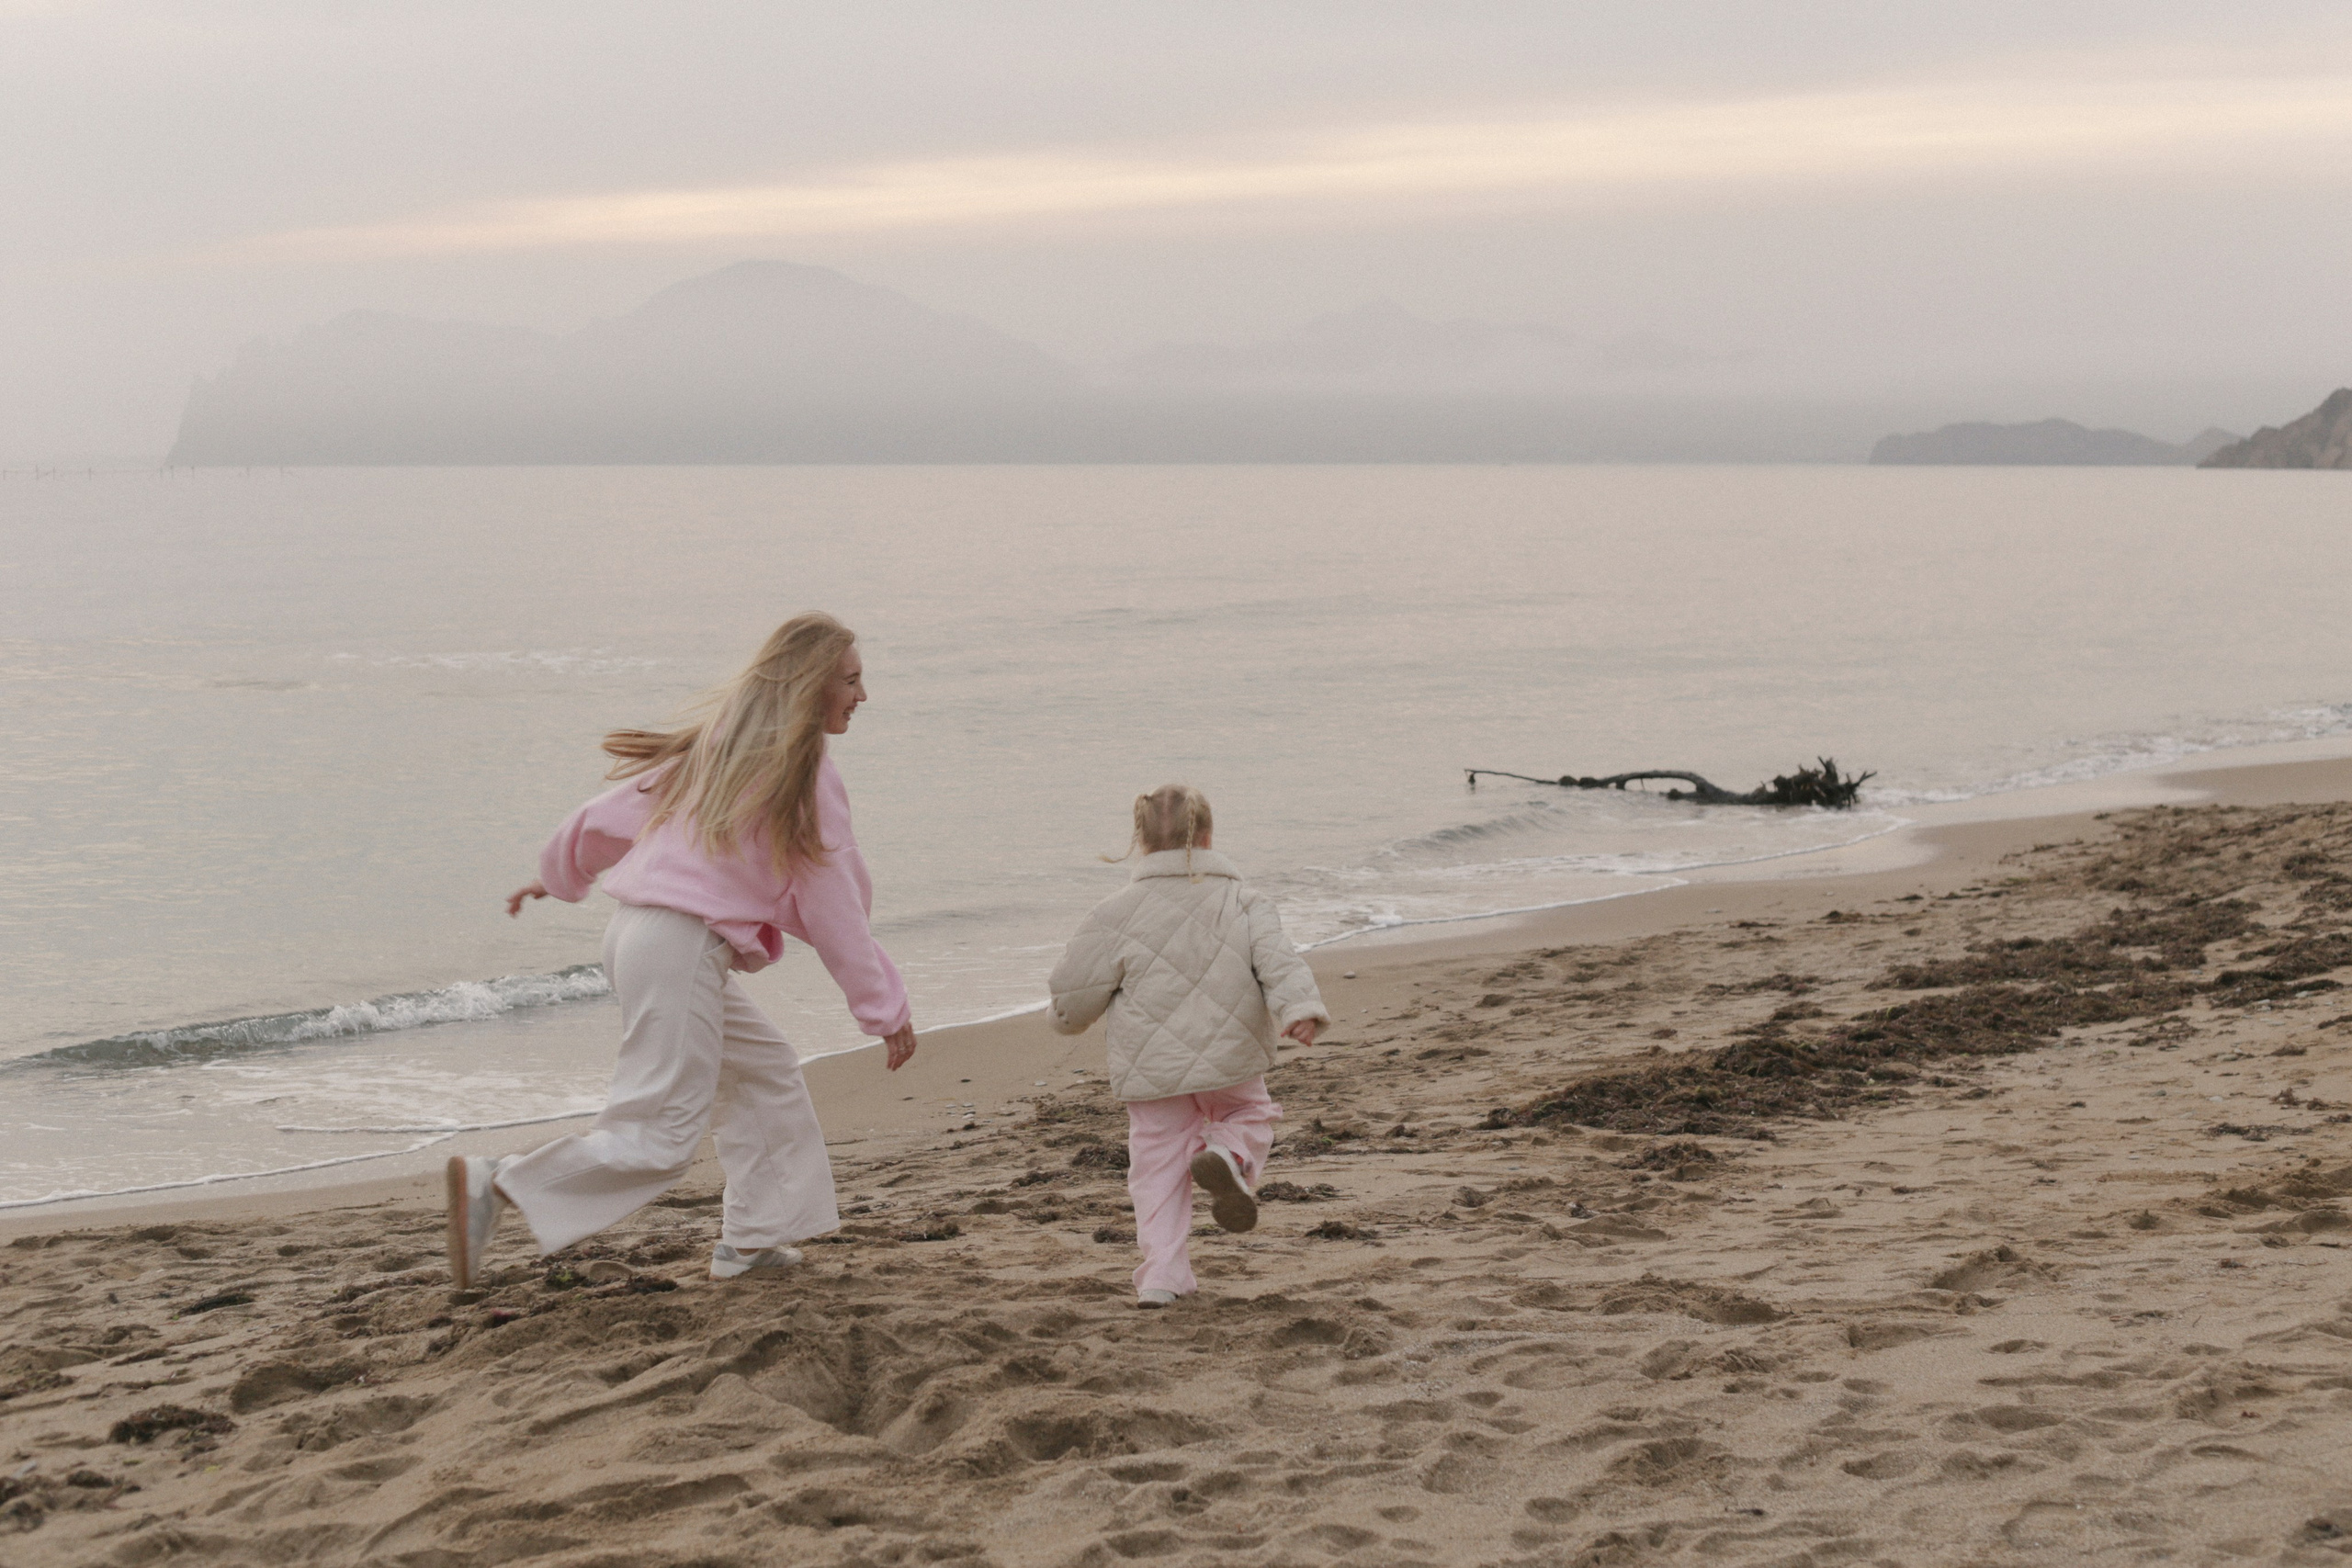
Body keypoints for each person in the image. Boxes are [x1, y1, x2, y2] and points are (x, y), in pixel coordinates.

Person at [450, 612, 916, 1289]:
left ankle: (752, 1241)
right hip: (680, 947)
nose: (861, 695)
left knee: (765, 1073)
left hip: (638, 936)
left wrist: (560, 874)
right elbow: (835, 903)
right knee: (662, 1134)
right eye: (849, 680)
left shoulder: (725, 748)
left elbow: (613, 813)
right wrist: (883, 1007)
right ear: (811, 684)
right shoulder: (804, 775)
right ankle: (500, 1184)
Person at [1046, 784, 1329, 1307]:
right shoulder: (1244, 901)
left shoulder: (1113, 913)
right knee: (1250, 1114)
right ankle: (1228, 1152)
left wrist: (1064, 1018)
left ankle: (1162, 1277)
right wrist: (1299, 1009)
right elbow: (1279, 961)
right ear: (1207, 837)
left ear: (1139, 842)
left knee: (1155, 1169)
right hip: (1230, 1057)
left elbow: (1075, 990)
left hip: (1153, 1069)